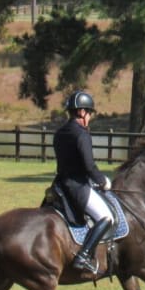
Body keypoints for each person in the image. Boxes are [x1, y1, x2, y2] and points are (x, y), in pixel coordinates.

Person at [53, 89, 113, 279]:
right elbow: (89, 165)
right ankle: (84, 255)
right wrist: (102, 181)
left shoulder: (60, 133)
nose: (90, 117)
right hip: (78, 187)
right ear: (82, 112)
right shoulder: (81, 134)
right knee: (106, 217)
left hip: (60, 185)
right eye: (89, 112)